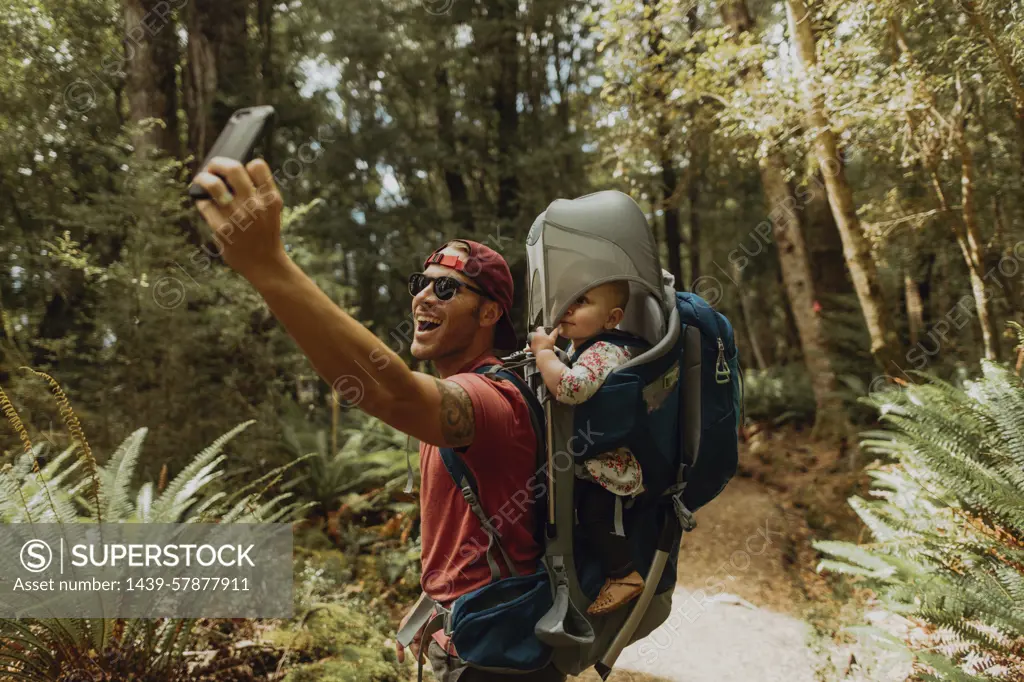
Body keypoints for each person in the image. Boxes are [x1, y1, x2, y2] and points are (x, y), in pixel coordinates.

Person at [191, 158, 565, 681]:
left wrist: (269, 266)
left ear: (489, 314)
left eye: (446, 289)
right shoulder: (460, 395)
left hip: (497, 662)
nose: (421, 298)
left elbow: (386, 390)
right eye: (421, 282)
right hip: (465, 646)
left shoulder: (490, 401)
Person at [528, 280, 646, 615]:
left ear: (612, 319)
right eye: (566, 298)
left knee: (595, 516)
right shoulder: (589, 349)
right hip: (592, 459)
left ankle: (624, 575)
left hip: (608, 463)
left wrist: (544, 354)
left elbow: (571, 387)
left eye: (581, 300)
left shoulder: (603, 351)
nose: (568, 307)